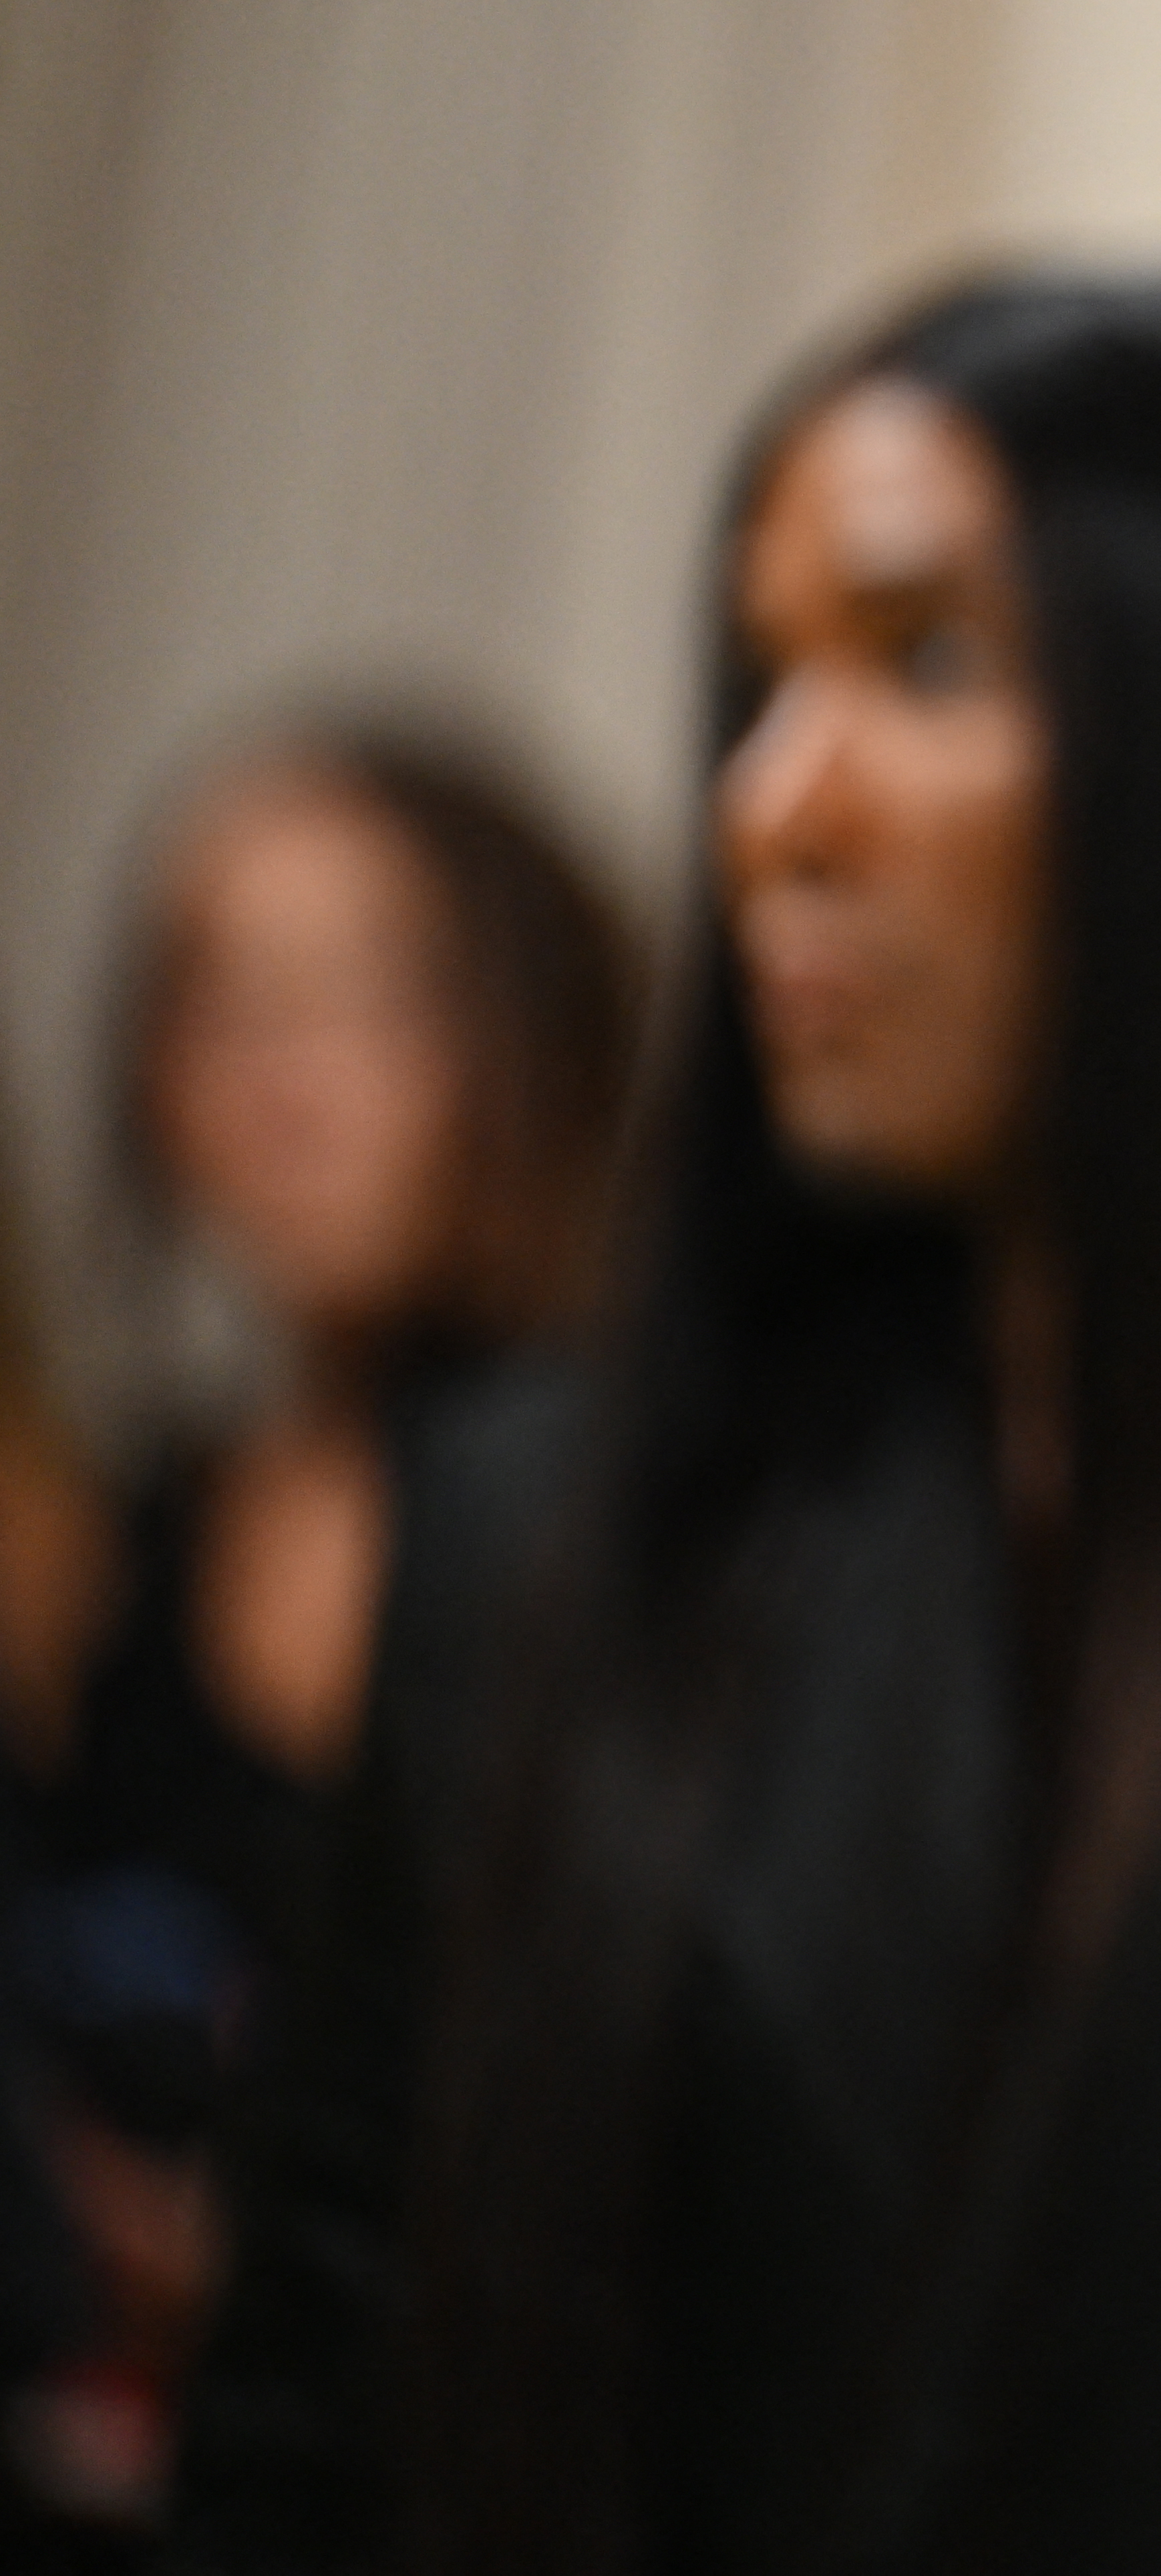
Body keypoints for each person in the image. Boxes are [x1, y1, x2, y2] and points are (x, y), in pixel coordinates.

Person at [164, 278, 1161, 2576]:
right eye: (758, 679)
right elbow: (306, 2439)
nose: (774, 804)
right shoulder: (542, 1539)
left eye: (920, 662)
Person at [0, 728, 633, 2552]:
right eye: (214, 999)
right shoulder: (88, 1546)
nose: (283, 1081)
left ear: (530, 1032)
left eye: (368, 997)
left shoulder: (615, 1576)